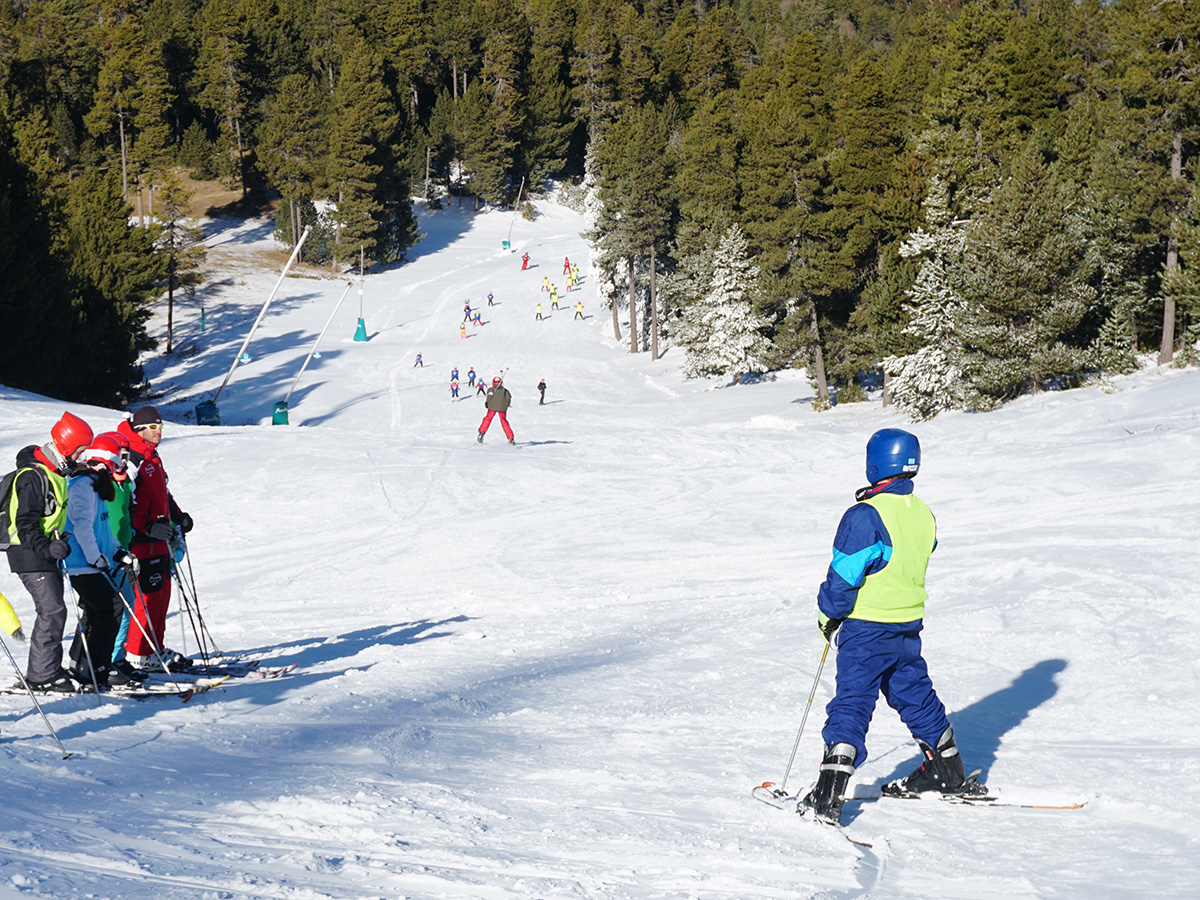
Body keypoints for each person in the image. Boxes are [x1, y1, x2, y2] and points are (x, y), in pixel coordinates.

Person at [799, 428, 972, 826]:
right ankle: (948, 771)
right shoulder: (923, 513)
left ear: (874, 463)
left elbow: (843, 578)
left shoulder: (866, 515)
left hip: (866, 629)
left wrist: (828, 617)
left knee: (852, 703)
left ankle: (828, 797)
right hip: (906, 628)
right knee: (915, 694)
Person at [5, 412, 93, 691]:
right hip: (29, 551)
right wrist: (47, 547)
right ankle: (42, 676)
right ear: (65, 447)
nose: (81, 456)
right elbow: (26, 521)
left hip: (43, 551)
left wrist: (60, 541)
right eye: (79, 450)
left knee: (55, 610)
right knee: (52, 609)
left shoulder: (54, 473)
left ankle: (46, 670)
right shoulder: (32, 476)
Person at [118, 407, 192, 671]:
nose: (159, 431)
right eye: (153, 427)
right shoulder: (132, 458)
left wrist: (178, 516)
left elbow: (164, 493)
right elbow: (127, 504)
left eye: (160, 427)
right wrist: (146, 528)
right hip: (141, 543)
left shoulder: (153, 457)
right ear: (139, 430)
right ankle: (138, 653)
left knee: (162, 596)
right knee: (145, 600)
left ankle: (154, 649)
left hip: (160, 540)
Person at [63, 434, 140, 689]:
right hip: (82, 565)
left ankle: (92, 668)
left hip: (94, 563)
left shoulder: (96, 486)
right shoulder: (83, 485)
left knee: (103, 613)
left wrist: (119, 553)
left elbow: (103, 531)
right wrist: (96, 558)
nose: (116, 470)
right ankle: (96, 671)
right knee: (108, 612)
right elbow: (82, 527)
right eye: (115, 464)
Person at [477, 377, 515, 445]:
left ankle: (481, 434)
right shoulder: (505, 390)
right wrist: (506, 405)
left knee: (487, 419)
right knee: (504, 422)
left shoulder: (491, 390)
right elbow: (508, 399)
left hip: (492, 408)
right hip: (502, 408)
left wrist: (487, 404)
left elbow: (488, 398)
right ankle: (511, 438)